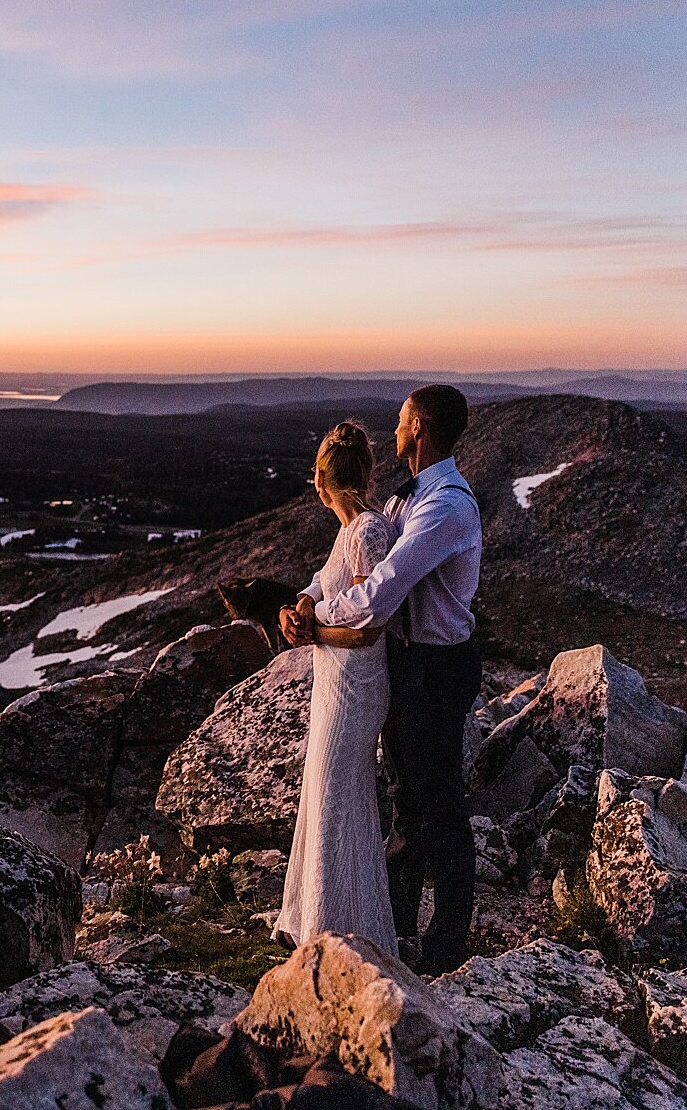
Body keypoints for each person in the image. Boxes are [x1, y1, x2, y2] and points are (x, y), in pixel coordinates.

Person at [282, 385, 482, 974]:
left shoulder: (447, 507)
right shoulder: (402, 502)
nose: (392, 432)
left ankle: (446, 943)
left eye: (400, 422)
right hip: (405, 664)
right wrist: (305, 598)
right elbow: (340, 565)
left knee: (439, 802)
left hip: (438, 667)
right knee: (405, 800)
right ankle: (390, 928)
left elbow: (380, 591)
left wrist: (315, 623)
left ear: (419, 429)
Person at [271, 421, 399, 955]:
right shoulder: (348, 532)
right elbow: (324, 583)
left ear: (322, 482)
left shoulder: (368, 533)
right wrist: (295, 608)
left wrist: (313, 633)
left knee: (338, 796)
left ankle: (340, 933)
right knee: (323, 794)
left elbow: (370, 625)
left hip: (356, 683)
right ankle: (317, 920)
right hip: (335, 682)